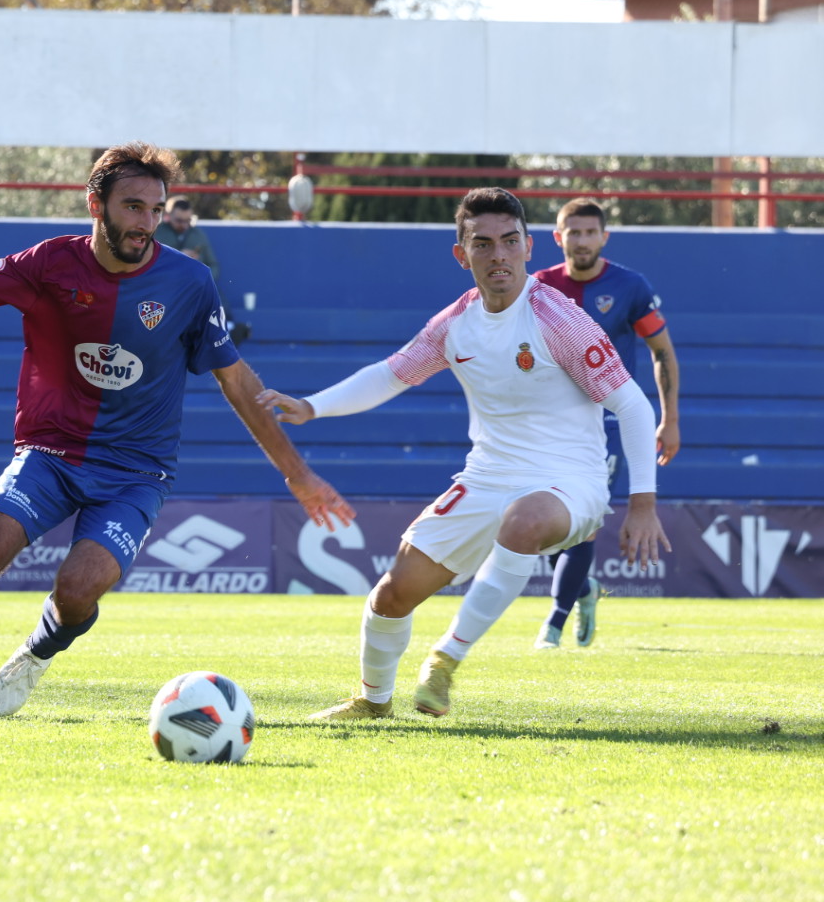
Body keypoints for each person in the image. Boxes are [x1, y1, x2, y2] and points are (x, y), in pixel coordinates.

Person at [0, 142, 354, 720]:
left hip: (135, 474)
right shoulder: (49, 264)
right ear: (95, 204)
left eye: (155, 209)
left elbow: (238, 383)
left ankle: (36, 653)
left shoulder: (190, 282)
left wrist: (300, 476)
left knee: (76, 589)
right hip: (49, 454)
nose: (147, 223)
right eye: (133, 207)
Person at [257, 187, 670, 721]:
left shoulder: (558, 319)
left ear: (528, 248)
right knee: (392, 595)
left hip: (572, 480)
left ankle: (445, 661)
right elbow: (390, 374)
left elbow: (633, 406)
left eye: (509, 241)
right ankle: (372, 701)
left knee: (523, 521)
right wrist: (311, 406)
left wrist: (642, 504)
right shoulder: (454, 324)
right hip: (486, 478)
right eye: (483, 243)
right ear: (462, 254)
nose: (498, 254)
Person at [529, 199, 682, 650]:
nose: (581, 241)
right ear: (558, 238)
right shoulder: (538, 288)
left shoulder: (630, 287)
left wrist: (669, 418)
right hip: (552, 427)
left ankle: (553, 625)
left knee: (586, 520)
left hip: (609, 425)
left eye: (589, 232)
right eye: (572, 233)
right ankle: (584, 590)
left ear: (604, 237)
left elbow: (663, 352)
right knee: (546, 525)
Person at [155, 196, 250, 345]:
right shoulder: (157, 233)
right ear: (168, 216)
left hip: (195, 284)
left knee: (213, 291)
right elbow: (151, 264)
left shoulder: (198, 234)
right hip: (169, 284)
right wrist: (180, 256)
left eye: (188, 221)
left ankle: (227, 327)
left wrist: (201, 272)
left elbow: (214, 265)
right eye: (179, 220)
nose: (184, 225)